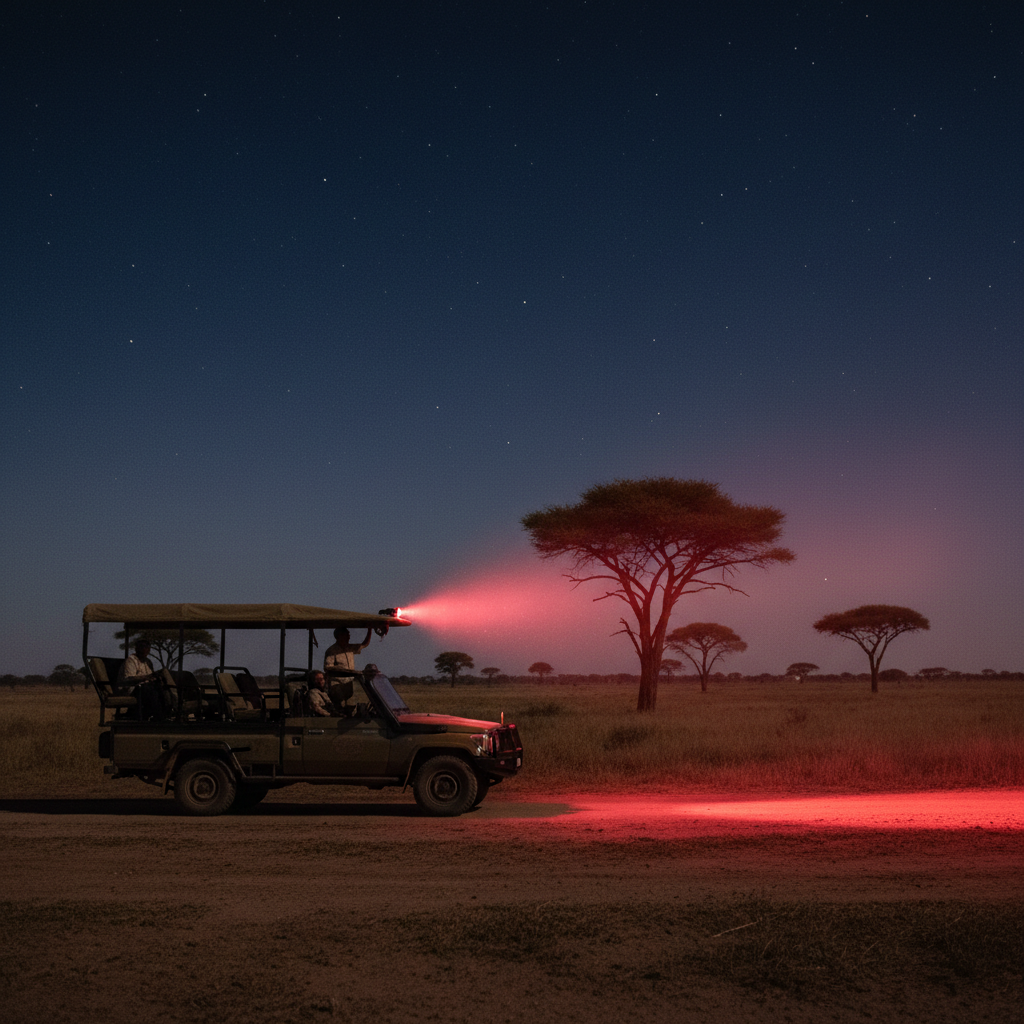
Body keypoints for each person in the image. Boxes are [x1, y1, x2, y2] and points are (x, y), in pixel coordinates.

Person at [118, 639, 162, 718]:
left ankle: (163, 713)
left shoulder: (148, 661)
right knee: (149, 690)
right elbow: (128, 679)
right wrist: (146, 677)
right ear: (137, 649)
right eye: (142, 647)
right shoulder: (131, 660)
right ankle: (155, 716)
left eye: (147, 648)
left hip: (146, 687)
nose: (145, 649)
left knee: (161, 688)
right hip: (132, 688)